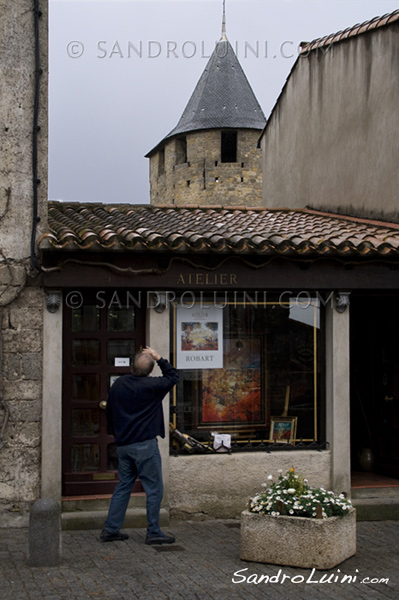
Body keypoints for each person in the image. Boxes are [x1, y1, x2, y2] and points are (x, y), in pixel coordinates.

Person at [100, 346, 179, 545]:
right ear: (150, 370)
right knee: (154, 488)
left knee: (124, 485)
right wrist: (158, 357)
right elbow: (173, 376)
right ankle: (153, 531)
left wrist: (117, 434)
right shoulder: (153, 386)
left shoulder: (119, 385)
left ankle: (111, 529)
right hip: (144, 444)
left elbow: (109, 412)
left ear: (131, 366)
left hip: (124, 444)